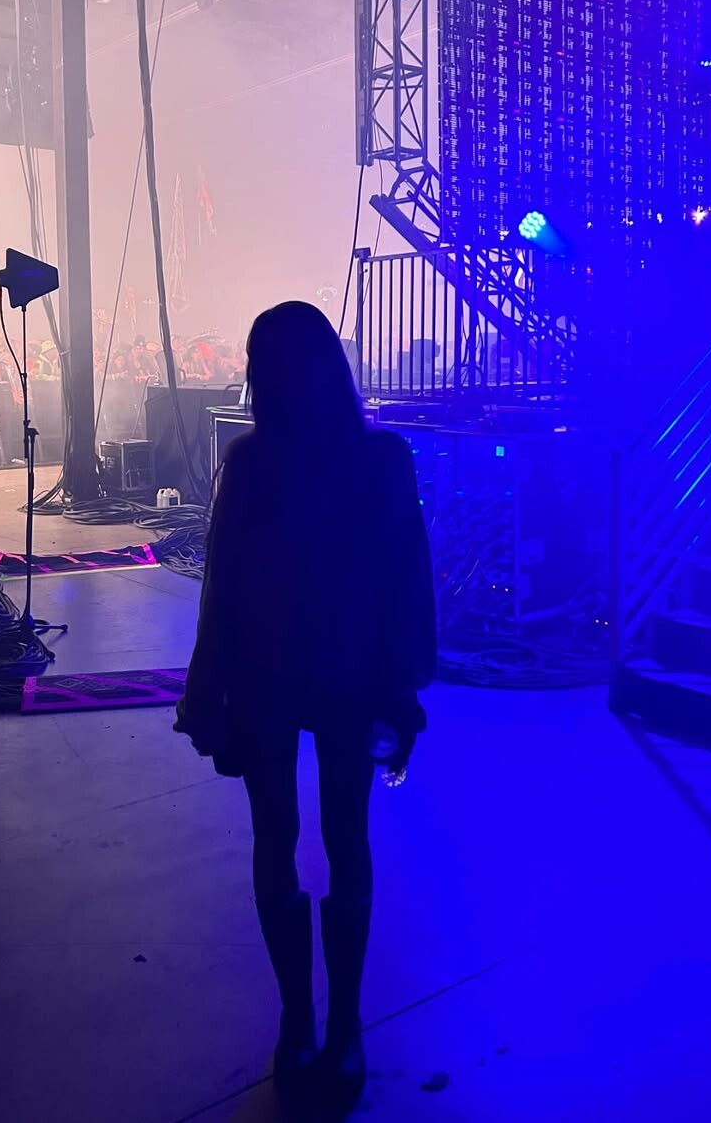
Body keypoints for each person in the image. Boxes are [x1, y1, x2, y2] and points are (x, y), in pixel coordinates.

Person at [174, 301, 436, 1111]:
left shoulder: (265, 462)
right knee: (334, 841)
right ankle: (332, 1022)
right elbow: (405, 581)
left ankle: (310, 1020)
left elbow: (223, 587)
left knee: (286, 841)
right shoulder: (371, 458)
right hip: (331, 677)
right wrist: (404, 685)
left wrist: (208, 694)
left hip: (290, 677)